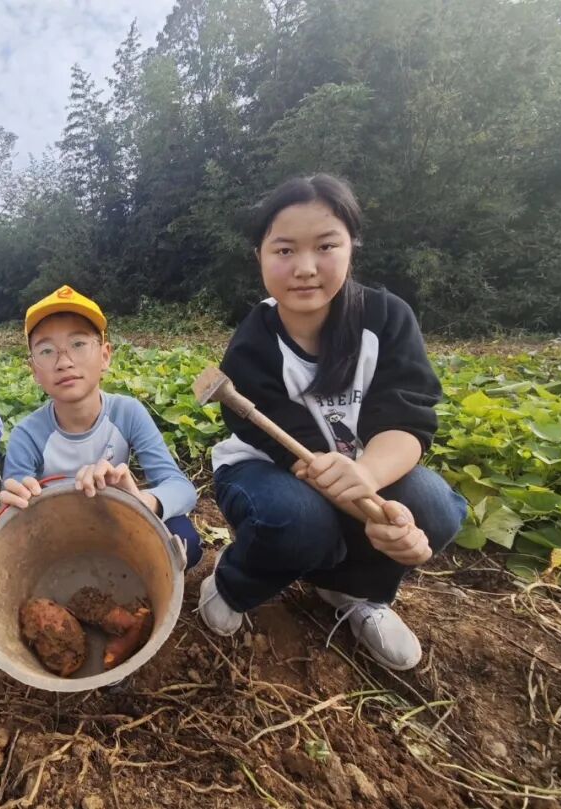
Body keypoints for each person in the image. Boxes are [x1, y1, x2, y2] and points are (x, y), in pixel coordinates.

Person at [197, 174, 467, 670]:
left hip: (368, 467)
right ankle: (235, 584)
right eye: (283, 251)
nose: (304, 268)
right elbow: (301, 458)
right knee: (300, 521)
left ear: (351, 247)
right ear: (259, 254)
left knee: (433, 507)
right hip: (276, 470)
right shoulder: (253, 346)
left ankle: (355, 593)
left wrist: (372, 484)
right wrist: (373, 511)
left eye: (325, 246)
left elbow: (407, 419)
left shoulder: (387, 319)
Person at [0, 285, 202, 569]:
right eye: (46, 351)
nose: (64, 362)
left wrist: (140, 502)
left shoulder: (127, 412)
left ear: (105, 356)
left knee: (185, 538)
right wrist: (14, 507)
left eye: (78, 344)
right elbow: (14, 518)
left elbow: (181, 488)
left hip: (117, 523)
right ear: (34, 371)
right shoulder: (26, 435)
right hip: (56, 539)